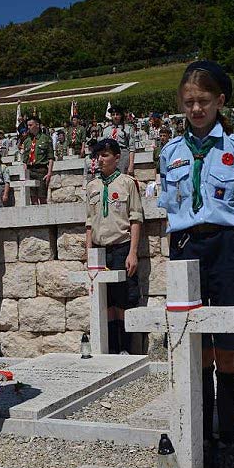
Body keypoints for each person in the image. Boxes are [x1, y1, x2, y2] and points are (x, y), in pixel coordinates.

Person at [158, 60, 234, 468]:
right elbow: (170, 211)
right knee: (194, 348)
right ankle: (200, 434)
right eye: (188, 102)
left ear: (220, 100)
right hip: (186, 247)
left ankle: (226, 437)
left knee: (226, 350)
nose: (196, 109)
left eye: (203, 101)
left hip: (226, 248)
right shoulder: (170, 153)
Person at [85, 138, 143, 354]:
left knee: (123, 301)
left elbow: (136, 219)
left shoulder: (127, 183)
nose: (100, 159)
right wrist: (89, 254)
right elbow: (89, 223)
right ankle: (110, 348)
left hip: (121, 247)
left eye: (105, 155)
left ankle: (126, 349)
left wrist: (133, 252)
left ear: (117, 158)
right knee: (105, 303)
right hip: (100, 251)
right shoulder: (92, 186)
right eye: (98, 155)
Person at [22, 116, 54, 205]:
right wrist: (25, 173)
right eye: (27, 125)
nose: (28, 127)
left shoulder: (46, 139)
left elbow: (51, 157)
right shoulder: (27, 141)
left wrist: (49, 173)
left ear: (37, 125)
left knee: (42, 197)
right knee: (33, 198)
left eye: (30, 125)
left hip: (41, 170)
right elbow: (25, 160)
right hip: (30, 170)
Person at [102, 106, 135, 176]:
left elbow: (132, 148)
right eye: (113, 115)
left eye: (117, 114)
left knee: (123, 179)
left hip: (123, 155)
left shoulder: (128, 128)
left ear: (121, 115)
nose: (115, 116)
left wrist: (131, 165)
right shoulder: (106, 130)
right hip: (110, 156)